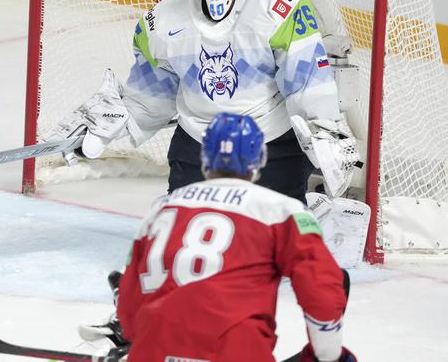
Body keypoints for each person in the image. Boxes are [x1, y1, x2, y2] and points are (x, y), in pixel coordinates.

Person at [66, 0, 360, 203]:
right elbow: (152, 94)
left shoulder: (281, 8)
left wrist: (323, 127)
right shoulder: (162, 21)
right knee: (187, 230)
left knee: (276, 235)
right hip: (199, 142)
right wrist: (112, 124)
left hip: (271, 142)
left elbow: (305, 81)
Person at [108, 113, 355, 362]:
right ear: (259, 159)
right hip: (236, 351)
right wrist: (328, 356)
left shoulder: (162, 209)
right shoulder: (282, 210)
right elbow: (322, 289)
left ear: (204, 157)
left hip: (152, 352)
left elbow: (128, 311)